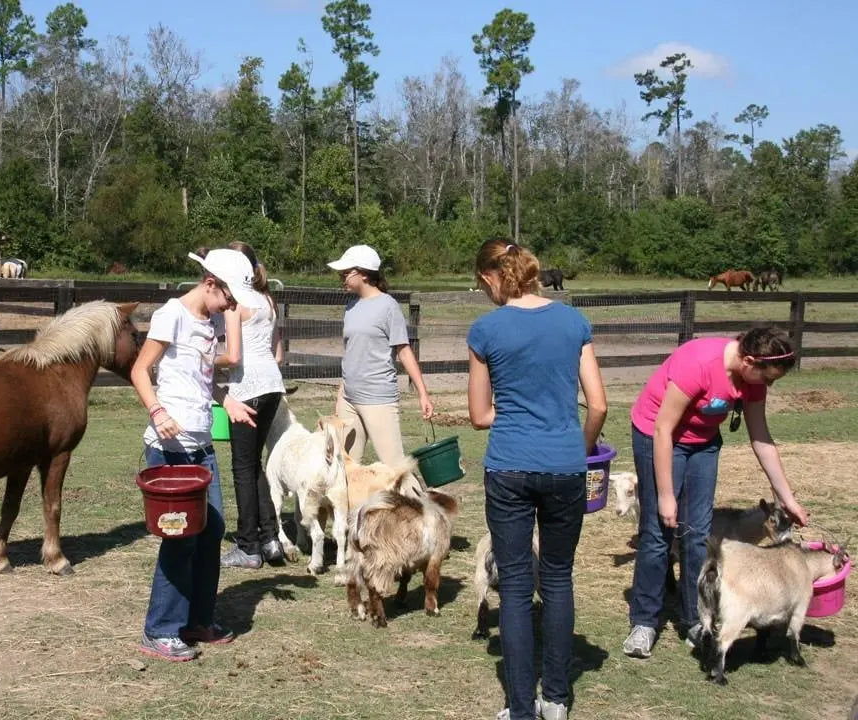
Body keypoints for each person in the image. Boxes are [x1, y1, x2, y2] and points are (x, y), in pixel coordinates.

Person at [467, 239, 607, 720]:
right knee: (559, 577)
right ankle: (558, 699)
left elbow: (479, 414)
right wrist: (581, 447)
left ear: (492, 277)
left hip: (508, 465)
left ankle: (521, 706)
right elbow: (600, 404)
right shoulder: (574, 322)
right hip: (565, 465)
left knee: (517, 584)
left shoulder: (486, 330)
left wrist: (515, 407)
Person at [622, 327, 810, 660]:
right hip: (658, 436)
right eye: (767, 379)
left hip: (702, 443)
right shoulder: (700, 363)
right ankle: (644, 622)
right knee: (658, 531)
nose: (768, 386)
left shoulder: (750, 381)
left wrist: (787, 499)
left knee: (698, 534)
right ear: (749, 361)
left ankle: (695, 618)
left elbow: (761, 438)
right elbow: (663, 429)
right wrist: (666, 495)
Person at [130, 248, 259, 662]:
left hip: (201, 447)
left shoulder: (210, 321)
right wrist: (157, 410)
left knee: (210, 534)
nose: (231, 307)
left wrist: (227, 399)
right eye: (229, 298)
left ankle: (198, 620)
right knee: (179, 540)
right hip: (170, 451)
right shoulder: (172, 314)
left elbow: (202, 378)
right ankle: (160, 630)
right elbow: (139, 370)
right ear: (209, 283)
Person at [327, 244, 433, 470]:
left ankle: (414, 504)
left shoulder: (388, 307)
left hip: (378, 398)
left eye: (346, 273)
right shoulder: (351, 305)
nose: (342, 278)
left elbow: (404, 351)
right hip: (349, 398)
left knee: (396, 470)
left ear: (363, 274)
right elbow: (351, 353)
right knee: (345, 468)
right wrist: (341, 393)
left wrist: (423, 393)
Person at [216, 241, 287, 569]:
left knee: (242, 468)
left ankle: (248, 546)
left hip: (247, 388)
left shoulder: (234, 303)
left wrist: (204, 360)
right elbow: (278, 354)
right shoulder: (268, 299)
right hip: (273, 385)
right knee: (254, 464)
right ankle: (270, 538)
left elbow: (232, 356)